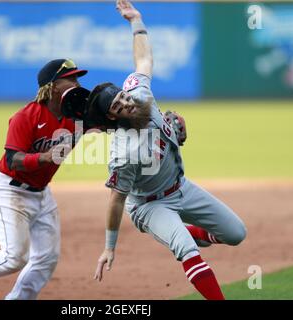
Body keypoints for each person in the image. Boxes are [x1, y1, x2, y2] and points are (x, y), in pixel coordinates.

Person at [90, 0, 247, 300]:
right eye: (117, 106)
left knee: (236, 233)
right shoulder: (124, 154)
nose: (125, 102)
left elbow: (144, 61)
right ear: (112, 116)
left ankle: (191, 231)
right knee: (187, 251)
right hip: (150, 206)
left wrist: (136, 21)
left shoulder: (138, 92)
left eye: (122, 96)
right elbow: (116, 200)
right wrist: (109, 247)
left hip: (180, 188)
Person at [0, 59, 88, 300]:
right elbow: (13, 159)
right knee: (14, 258)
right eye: (70, 78)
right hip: (9, 190)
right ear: (52, 87)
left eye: (77, 78)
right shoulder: (26, 117)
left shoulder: (78, 116)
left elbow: (109, 120)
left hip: (42, 193)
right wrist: (44, 157)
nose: (76, 83)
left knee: (46, 259)